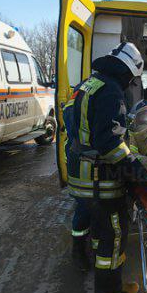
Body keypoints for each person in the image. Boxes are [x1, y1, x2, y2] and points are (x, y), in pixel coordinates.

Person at [65, 42, 147, 293]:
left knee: (96, 223)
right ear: (128, 72)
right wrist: (137, 171)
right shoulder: (112, 91)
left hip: (79, 174)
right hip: (99, 179)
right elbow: (109, 142)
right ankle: (109, 290)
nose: (130, 85)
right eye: (132, 80)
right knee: (114, 233)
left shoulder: (87, 85)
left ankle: (85, 254)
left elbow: (73, 122)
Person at [62, 95, 93, 272]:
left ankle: (96, 248)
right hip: (80, 159)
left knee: (97, 207)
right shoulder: (91, 94)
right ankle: (78, 249)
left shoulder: (84, 92)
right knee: (84, 206)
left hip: (86, 157)